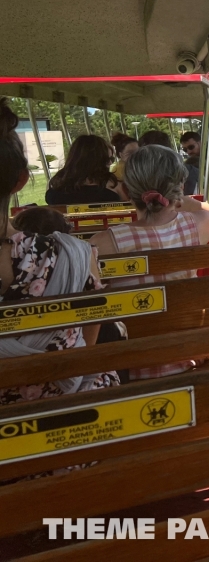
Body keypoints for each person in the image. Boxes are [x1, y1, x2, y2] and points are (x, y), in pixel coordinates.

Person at [0, 99, 119, 407]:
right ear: (19, 181)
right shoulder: (72, 255)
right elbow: (87, 345)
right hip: (62, 421)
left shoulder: (55, 190)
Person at [90, 145, 209, 379]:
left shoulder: (103, 243)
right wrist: (190, 202)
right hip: (186, 358)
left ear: (127, 191)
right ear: (179, 187)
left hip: (129, 368)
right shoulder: (196, 226)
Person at [44, 134, 123, 205]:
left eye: (111, 159)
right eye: (106, 159)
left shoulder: (54, 184)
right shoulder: (113, 185)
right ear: (91, 160)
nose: (110, 163)